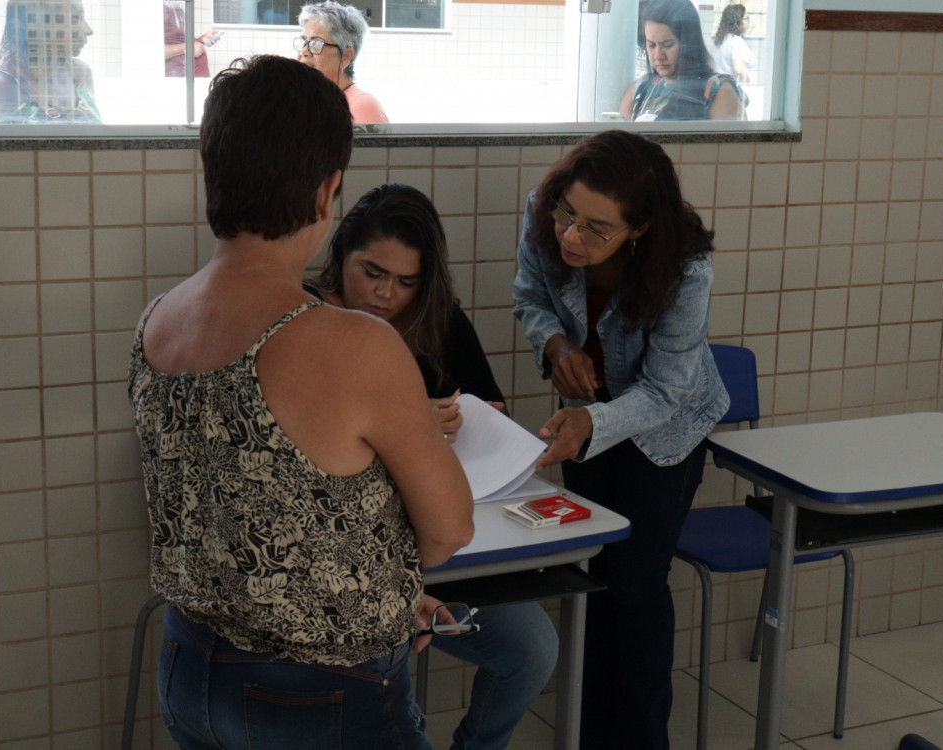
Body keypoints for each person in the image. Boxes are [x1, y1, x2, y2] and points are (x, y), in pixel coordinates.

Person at [127, 55, 473, 749]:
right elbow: (448, 531)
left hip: (189, 667)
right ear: (327, 191)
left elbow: (244, 517)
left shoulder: (156, 321)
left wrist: (382, 588)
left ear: (212, 171)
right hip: (319, 691)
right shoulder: (354, 344)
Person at [306, 182, 558, 750]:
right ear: (340, 253)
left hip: (442, 542)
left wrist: (477, 423)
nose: (385, 294)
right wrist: (403, 420)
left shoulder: (438, 322)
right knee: (384, 672)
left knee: (533, 649)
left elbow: (491, 411)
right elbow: (301, 440)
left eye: (406, 282)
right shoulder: (306, 319)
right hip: (347, 558)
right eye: (372, 273)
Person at [512, 130, 730, 749]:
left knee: (635, 587)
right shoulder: (543, 214)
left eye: (597, 229)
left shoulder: (684, 268)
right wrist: (556, 345)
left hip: (667, 434)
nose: (571, 237)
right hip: (588, 420)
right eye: (568, 215)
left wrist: (592, 423)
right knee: (592, 579)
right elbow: (530, 297)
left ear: (639, 229)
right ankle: (590, 732)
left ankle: (641, 739)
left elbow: (666, 392)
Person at [0, 0, 100, 123]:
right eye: (76, 18)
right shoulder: (2, 84)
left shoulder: (79, 72)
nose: (89, 30)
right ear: (42, 26)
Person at [619, 0, 745, 122]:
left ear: (689, 43)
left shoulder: (719, 90)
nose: (658, 55)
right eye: (651, 45)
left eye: (668, 45)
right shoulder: (640, 89)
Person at [296, 1, 388, 124]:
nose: (304, 52)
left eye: (316, 43)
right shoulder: (313, 104)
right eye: (303, 42)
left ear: (345, 57)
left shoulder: (362, 106)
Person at [164, 0, 220, 78]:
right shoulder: (159, 10)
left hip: (196, 78)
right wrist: (189, 48)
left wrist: (200, 40)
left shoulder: (179, 9)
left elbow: (179, 41)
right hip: (179, 80)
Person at [712, 3, 756, 84]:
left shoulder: (718, 40)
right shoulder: (737, 41)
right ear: (737, 22)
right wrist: (749, 82)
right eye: (746, 18)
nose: (748, 22)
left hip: (719, 87)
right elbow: (739, 70)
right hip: (734, 88)